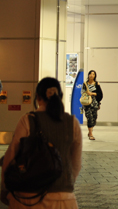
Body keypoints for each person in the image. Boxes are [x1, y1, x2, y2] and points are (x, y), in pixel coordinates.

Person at [1, 77, 82, 208]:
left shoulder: (27, 120)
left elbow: (10, 157)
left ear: (38, 97)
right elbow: (76, 164)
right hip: (63, 200)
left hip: (27, 198)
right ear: (60, 96)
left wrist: (4, 187)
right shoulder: (72, 123)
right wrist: (63, 184)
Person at [82, 69, 103, 141]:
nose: (91, 75)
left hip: (94, 103)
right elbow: (82, 92)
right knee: (89, 118)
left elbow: (100, 94)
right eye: (90, 74)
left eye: (93, 74)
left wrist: (92, 93)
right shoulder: (85, 84)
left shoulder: (97, 84)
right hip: (87, 103)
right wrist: (87, 93)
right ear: (88, 75)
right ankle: (90, 134)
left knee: (94, 117)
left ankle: (90, 130)